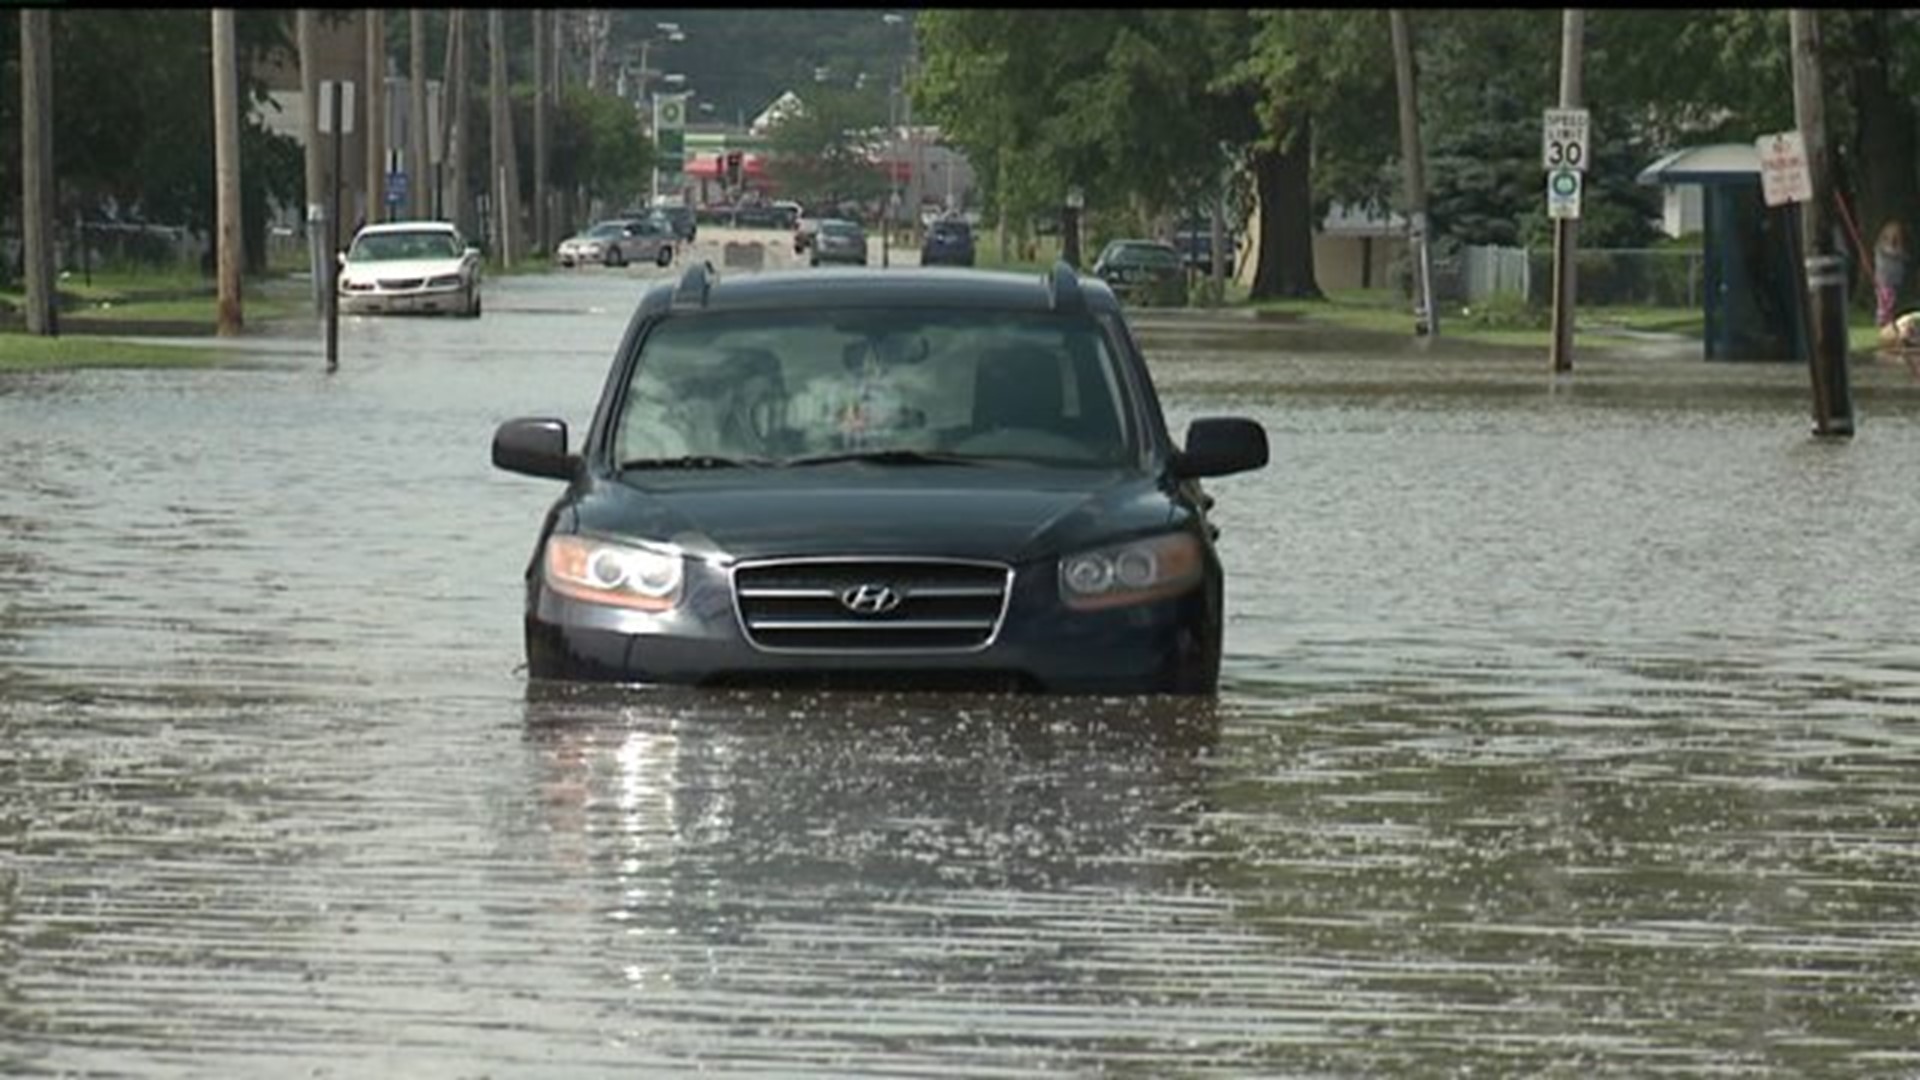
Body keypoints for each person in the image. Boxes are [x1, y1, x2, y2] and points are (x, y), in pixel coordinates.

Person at [1874, 219, 1908, 328]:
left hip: (1894, 281)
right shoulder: (1882, 249)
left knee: (1891, 301)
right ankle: (1883, 321)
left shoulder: (1898, 249)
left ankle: (1889, 321)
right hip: (1885, 280)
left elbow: (1902, 256)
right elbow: (1891, 254)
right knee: (1885, 301)